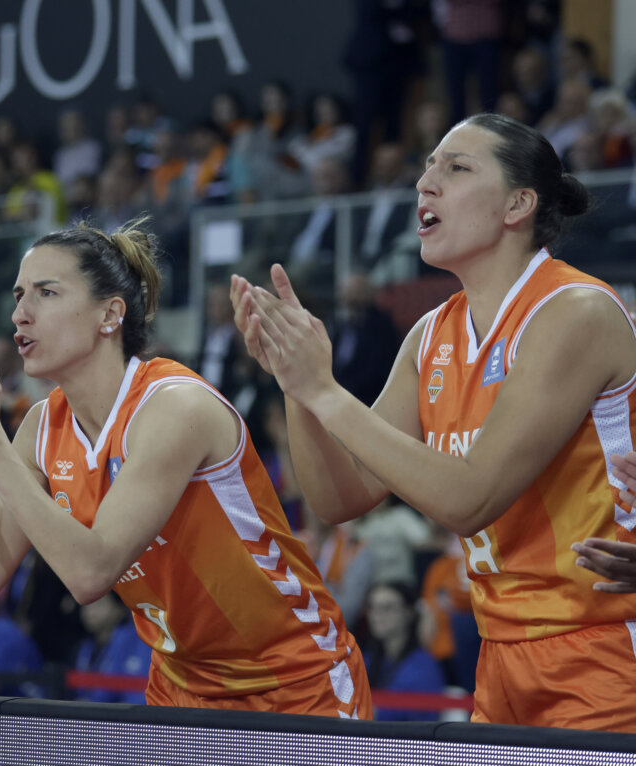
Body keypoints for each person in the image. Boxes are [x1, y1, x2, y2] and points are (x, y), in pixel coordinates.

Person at [231, 112, 636, 730]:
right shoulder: (431, 334)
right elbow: (340, 497)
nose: (426, 183)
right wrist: (296, 386)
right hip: (498, 652)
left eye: (457, 167)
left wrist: (328, 391)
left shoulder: (573, 311)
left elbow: (469, 498)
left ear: (517, 205)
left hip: (605, 647)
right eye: (427, 167)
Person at [0, 220, 371, 716]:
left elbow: (91, 571)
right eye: (18, 295)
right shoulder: (42, 426)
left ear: (110, 314)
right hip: (184, 689)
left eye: (46, 293)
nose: (20, 313)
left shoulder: (174, 407)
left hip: (294, 682)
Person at [361, 581, 447, 722]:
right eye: (372, 607)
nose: (377, 615)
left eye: (387, 608)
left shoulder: (423, 667)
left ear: (408, 613)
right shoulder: (367, 659)